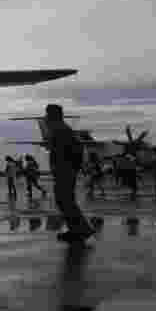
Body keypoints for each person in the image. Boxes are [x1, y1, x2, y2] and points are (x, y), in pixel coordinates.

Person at [43, 104, 95, 243]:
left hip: (64, 171)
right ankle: (77, 230)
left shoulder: (60, 130)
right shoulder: (63, 129)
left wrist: (64, 168)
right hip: (66, 170)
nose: (46, 117)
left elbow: (63, 153)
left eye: (47, 114)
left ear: (53, 116)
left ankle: (81, 230)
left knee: (65, 201)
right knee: (65, 201)